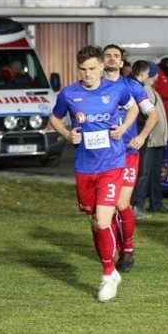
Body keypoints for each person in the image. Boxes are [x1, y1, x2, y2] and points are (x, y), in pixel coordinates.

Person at [49, 45, 139, 303]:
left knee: (103, 220)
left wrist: (123, 128)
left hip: (112, 164)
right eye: (83, 70)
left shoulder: (117, 89)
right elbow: (54, 118)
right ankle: (110, 265)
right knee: (94, 222)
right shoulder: (69, 94)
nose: (87, 74)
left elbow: (133, 109)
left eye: (91, 69)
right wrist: (67, 134)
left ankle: (109, 273)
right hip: (84, 167)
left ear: (101, 66)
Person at [102, 44, 158, 273]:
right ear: (102, 60)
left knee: (120, 203)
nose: (112, 59)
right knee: (106, 209)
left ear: (122, 60)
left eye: (116, 56)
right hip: (103, 155)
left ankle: (128, 249)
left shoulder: (132, 87)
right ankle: (113, 248)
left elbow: (152, 114)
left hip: (128, 152)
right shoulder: (95, 87)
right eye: (108, 56)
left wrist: (142, 136)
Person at [130, 61, 168, 216]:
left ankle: (156, 203)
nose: (156, 76)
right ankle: (136, 206)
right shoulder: (143, 90)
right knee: (144, 173)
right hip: (150, 139)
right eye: (154, 73)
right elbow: (145, 116)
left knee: (154, 173)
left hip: (157, 139)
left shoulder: (149, 89)